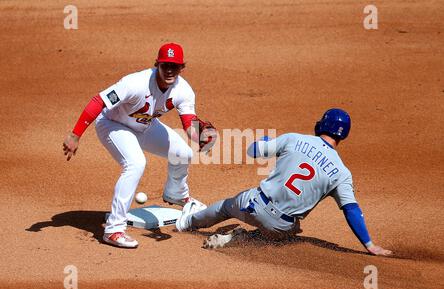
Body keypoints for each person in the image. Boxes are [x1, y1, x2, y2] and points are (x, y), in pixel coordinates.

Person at [176, 108, 392, 256]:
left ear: (322, 124)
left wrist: (263, 142)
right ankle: (240, 239)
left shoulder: (295, 139)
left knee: (226, 207)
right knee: (290, 233)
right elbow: (351, 210)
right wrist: (370, 245)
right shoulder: (342, 173)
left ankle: (186, 224)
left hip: (253, 205)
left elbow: (253, 151)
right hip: (279, 226)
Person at [63, 43, 216, 248]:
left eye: (175, 66)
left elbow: (188, 122)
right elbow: (98, 101)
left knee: (183, 154)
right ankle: (114, 230)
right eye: (165, 65)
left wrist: (201, 137)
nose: (170, 70)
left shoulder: (183, 89)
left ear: (182, 68)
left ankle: (176, 194)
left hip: (145, 125)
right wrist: (75, 135)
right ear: (157, 65)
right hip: (112, 124)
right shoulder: (135, 83)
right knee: (135, 164)